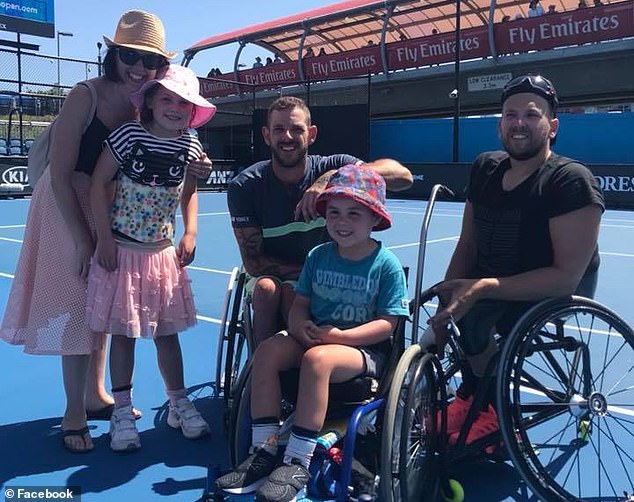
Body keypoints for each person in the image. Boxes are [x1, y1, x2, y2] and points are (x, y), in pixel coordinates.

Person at [0, 10, 186, 454]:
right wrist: (85, 237)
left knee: (104, 301)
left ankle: (96, 395)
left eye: (150, 60)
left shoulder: (151, 101)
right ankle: (73, 412)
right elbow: (61, 174)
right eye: (130, 56)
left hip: (111, 207)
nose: (139, 67)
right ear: (113, 54)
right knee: (74, 304)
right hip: (66, 205)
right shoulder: (86, 95)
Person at [426, 74, 604, 447]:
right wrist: (446, 301)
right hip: (492, 282)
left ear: (552, 127)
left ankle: (494, 412)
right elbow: (468, 246)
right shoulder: (485, 168)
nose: (519, 123)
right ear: (499, 124)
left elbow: (565, 279)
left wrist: (482, 289)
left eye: (531, 115)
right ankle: (474, 395)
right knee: (454, 311)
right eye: (510, 114)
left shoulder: (570, 181)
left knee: (476, 315)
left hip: (550, 289)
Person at [216, 164, 409, 501]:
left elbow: (387, 325)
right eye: (333, 213)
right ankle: (265, 449)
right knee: (268, 350)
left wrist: (339, 337)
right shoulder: (318, 256)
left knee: (319, 360)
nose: (342, 222)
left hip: (361, 350)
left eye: (353, 214)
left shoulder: (385, 265)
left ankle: (297, 459)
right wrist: (296, 325)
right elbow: (301, 303)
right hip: (317, 336)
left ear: (375, 219)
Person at [85, 64, 216, 452]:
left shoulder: (190, 144)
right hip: (122, 252)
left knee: (166, 335)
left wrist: (191, 231)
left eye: (183, 102)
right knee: (123, 334)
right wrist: (104, 239)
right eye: (167, 99)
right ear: (151, 102)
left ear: (192, 110)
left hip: (161, 255)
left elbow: (190, 190)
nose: (175, 107)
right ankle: (122, 411)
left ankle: (178, 403)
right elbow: (98, 183)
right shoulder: (128, 135)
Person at [227, 96, 412, 346]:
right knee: (268, 290)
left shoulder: (334, 166)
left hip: (331, 272)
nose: (288, 137)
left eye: (296, 129)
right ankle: (259, 365)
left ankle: (302, 370)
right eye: (279, 129)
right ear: (266, 135)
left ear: (311, 134)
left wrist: (334, 178)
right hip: (291, 275)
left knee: (293, 295)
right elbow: (254, 263)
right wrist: (309, 278)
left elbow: (403, 176)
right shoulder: (245, 186)